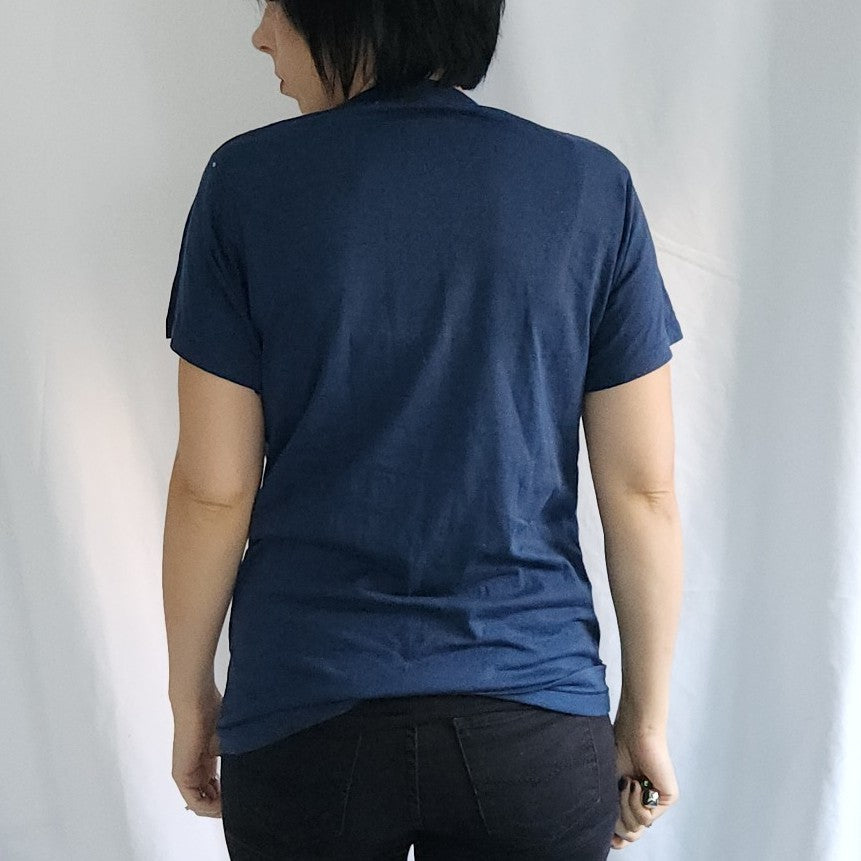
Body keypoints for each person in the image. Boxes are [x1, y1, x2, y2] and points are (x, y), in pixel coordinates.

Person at [162, 1, 683, 858]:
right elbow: (642, 490)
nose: (260, 35)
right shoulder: (588, 187)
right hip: (532, 714)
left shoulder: (246, 183)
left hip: (303, 713)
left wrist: (191, 699)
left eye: (271, 5)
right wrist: (643, 720)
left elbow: (213, 490)